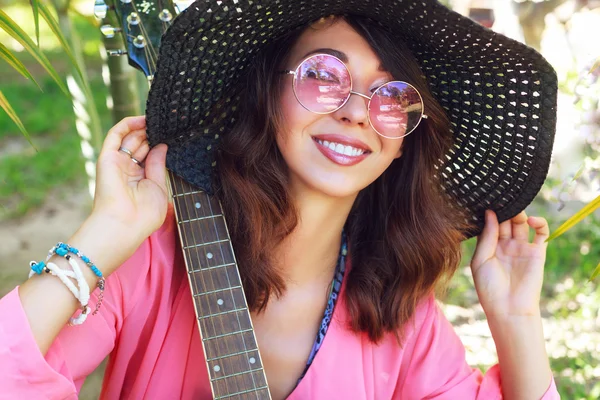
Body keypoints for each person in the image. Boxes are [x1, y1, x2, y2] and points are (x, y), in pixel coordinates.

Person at [0, 1, 561, 399]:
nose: (358, 111)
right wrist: (106, 233)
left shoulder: (400, 315)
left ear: (403, 143)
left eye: (391, 95)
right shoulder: (149, 260)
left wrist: (516, 318)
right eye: (323, 75)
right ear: (265, 92)